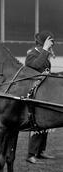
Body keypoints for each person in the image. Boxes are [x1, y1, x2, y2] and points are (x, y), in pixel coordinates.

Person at [25, 30, 56, 164]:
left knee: (46, 123)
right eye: (50, 42)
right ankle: (31, 154)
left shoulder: (44, 54)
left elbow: (45, 71)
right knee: (37, 124)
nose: (52, 44)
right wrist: (45, 50)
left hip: (44, 94)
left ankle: (40, 151)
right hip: (34, 94)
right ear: (43, 42)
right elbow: (35, 66)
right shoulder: (32, 54)